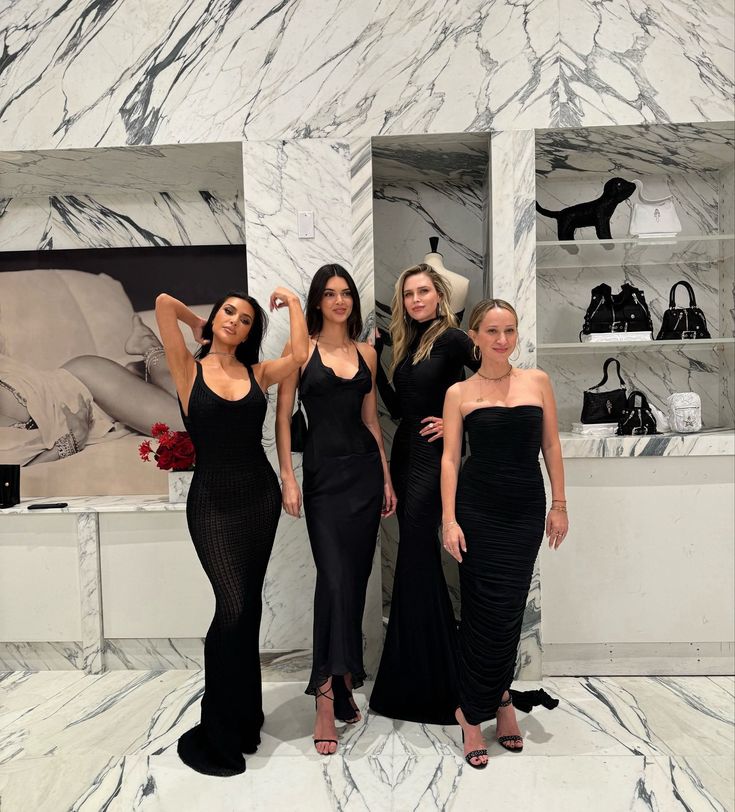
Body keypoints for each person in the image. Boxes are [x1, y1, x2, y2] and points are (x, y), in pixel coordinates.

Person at [155, 286, 308, 776]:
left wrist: (296, 305)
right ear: (217, 315)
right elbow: (162, 303)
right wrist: (197, 322)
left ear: (250, 333)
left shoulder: (257, 373)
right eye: (229, 312)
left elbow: (301, 354)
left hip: (258, 497)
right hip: (212, 502)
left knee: (249, 607)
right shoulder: (187, 368)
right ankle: (217, 729)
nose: (235, 322)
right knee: (233, 606)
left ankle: (245, 720)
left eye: (244, 320)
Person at [441, 299, 568, 769]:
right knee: (480, 609)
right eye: (491, 331)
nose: (501, 340)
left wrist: (559, 503)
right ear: (473, 335)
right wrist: (449, 519)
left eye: (509, 330)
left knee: (511, 610)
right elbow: (451, 459)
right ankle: (471, 714)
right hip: (477, 510)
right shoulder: (460, 392)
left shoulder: (537, 381)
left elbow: (551, 444)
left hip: (525, 510)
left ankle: (500, 699)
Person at [276, 264, 397, 756]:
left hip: (365, 477)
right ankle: (324, 697)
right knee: (332, 582)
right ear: (318, 302)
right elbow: (284, 417)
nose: (340, 301)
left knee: (354, 583)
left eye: (346, 293)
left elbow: (372, 421)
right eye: (330, 294)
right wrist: (288, 475)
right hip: (324, 480)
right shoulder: (300, 352)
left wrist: (386, 478)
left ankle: (344, 681)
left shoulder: (367, 351)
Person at [369, 263, 478, 724]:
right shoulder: (410, 341)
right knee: (417, 555)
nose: (416, 299)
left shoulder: (453, 338)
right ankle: (420, 667)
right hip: (405, 452)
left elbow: (493, 378)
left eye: (424, 292)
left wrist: (456, 418)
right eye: (409, 293)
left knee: (416, 550)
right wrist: (374, 366)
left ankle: (431, 675)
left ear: (440, 296)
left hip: (434, 459)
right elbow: (397, 408)